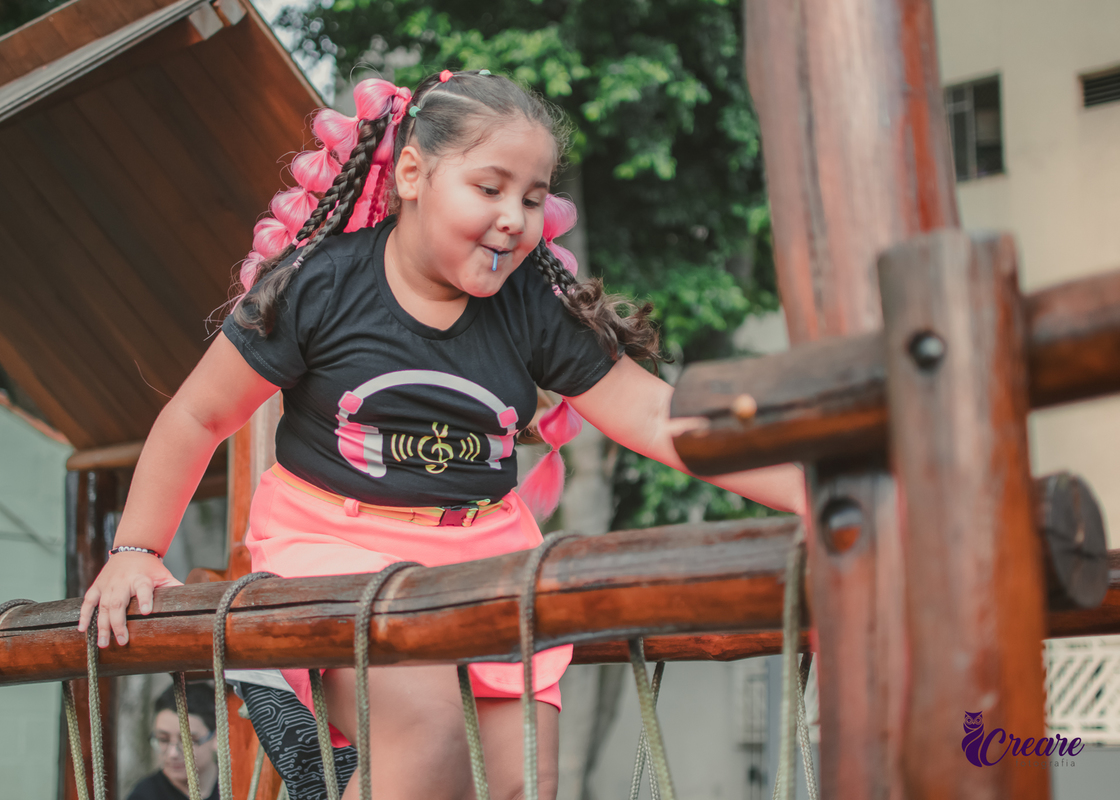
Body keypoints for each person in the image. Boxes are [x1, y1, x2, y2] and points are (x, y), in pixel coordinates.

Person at [80, 69, 806, 800]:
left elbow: (656, 416)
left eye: (531, 198)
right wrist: (136, 550)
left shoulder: (532, 303)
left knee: (522, 781)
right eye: (489, 189)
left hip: (482, 552)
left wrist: (816, 492)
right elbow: (197, 414)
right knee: (426, 742)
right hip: (334, 542)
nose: (514, 218)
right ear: (413, 174)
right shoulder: (322, 285)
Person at [127, 682, 219, 800]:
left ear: (216, 738)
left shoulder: (241, 786)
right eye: (163, 739)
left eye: (188, 741)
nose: (173, 754)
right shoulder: (143, 795)